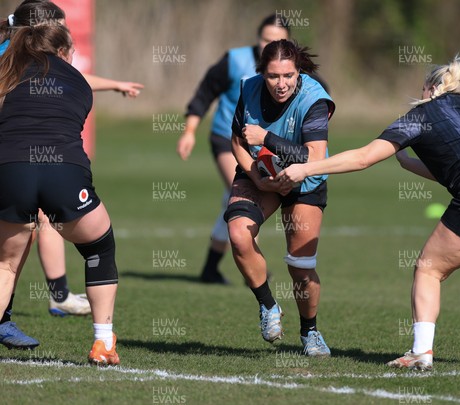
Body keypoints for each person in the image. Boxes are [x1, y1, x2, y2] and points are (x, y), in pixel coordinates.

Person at [278, 56, 460, 369]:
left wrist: (306, 169)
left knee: (429, 269)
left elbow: (364, 157)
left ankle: (421, 352)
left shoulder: (421, 115)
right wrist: (408, 162)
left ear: (431, 89)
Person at [0, 0, 142, 350]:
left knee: (6, 261)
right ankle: (102, 340)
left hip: (9, 168)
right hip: (62, 169)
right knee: (98, 247)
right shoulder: (67, 77)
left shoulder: (10, 64)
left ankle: (55, 295)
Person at [224, 39, 335, 357]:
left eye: (288, 75)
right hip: (262, 171)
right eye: (273, 76)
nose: (281, 84)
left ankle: (310, 331)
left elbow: (313, 157)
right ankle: (268, 306)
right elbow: (237, 141)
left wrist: (266, 137)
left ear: (298, 71)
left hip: (306, 180)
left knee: (300, 266)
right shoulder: (250, 89)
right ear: (262, 74)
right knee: (238, 234)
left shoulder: (314, 99)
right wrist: (257, 177)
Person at [177, 14, 290, 284]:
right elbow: (205, 93)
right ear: (257, 38)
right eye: (265, 39)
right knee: (249, 196)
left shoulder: (290, 67)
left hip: (266, 145)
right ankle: (256, 269)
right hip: (228, 140)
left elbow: (318, 92)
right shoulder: (235, 60)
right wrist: (189, 131)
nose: (270, 45)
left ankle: (210, 268)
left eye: (278, 41)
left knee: (234, 200)